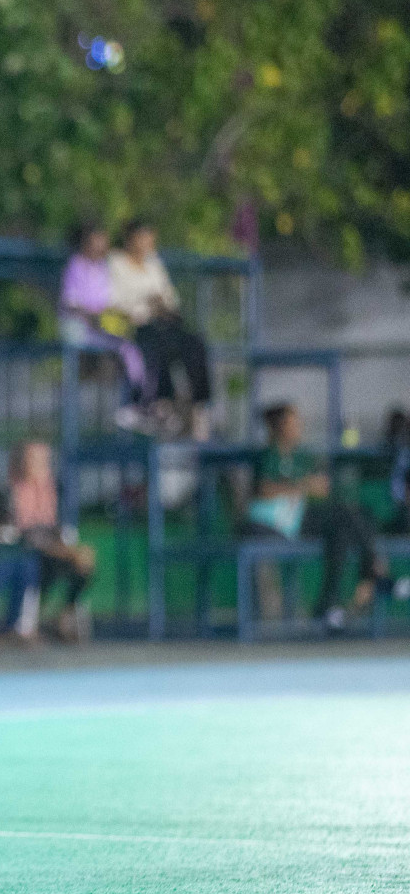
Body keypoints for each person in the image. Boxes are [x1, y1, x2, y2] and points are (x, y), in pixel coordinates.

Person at [245, 403, 384, 629]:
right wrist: (304, 486)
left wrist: (313, 486)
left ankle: (329, 605)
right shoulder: (269, 455)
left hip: (298, 518)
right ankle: (372, 570)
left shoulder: (301, 456)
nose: (299, 428)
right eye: (293, 423)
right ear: (281, 427)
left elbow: (320, 486)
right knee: (345, 515)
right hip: (280, 524)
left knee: (345, 527)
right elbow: (264, 490)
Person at [109, 219, 214, 440]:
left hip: (161, 323)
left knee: (194, 343)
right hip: (134, 326)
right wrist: (146, 303)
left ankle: (198, 405)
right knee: (158, 345)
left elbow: (169, 299)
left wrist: (161, 305)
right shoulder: (115, 263)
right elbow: (115, 300)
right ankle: (161, 403)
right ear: (130, 238)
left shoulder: (153, 263)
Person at [3, 441, 95, 642]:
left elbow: (55, 526)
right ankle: (27, 624)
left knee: (84, 562)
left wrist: (67, 547)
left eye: (45, 460)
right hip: (28, 550)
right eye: (36, 460)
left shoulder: (51, 489)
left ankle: (64, 613)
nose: (42, 465)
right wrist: (63, 550)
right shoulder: (14, 490)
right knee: (45, 565)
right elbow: (26, 533)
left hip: (50, 548)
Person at [59, 220, 147, 429]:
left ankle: (136, 404)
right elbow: (71, 304)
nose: (102, 246)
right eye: (97, 242)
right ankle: (130, 406)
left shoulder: (101, 268)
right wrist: (93, 316)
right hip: (81, 330)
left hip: (100, 329)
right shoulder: (76, 265)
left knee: (131, 349)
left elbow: (107, 302)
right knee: (122, 350)